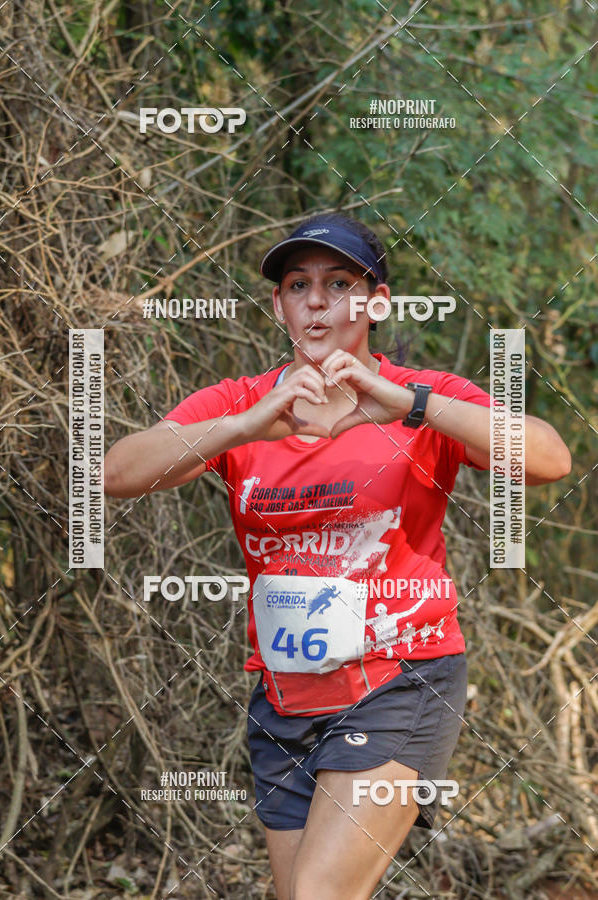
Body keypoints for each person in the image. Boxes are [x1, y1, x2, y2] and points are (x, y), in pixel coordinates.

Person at [104, 212, 571, 899]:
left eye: (340, 283)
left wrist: (411, 405)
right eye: (298, 285)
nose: (317, 301)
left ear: (377, 301)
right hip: (284, 698)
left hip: (399, 681)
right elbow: (113, 474)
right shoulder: (239, 403)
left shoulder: (419, 399)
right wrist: (245, 423)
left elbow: (549, 458)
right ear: (278, 305)